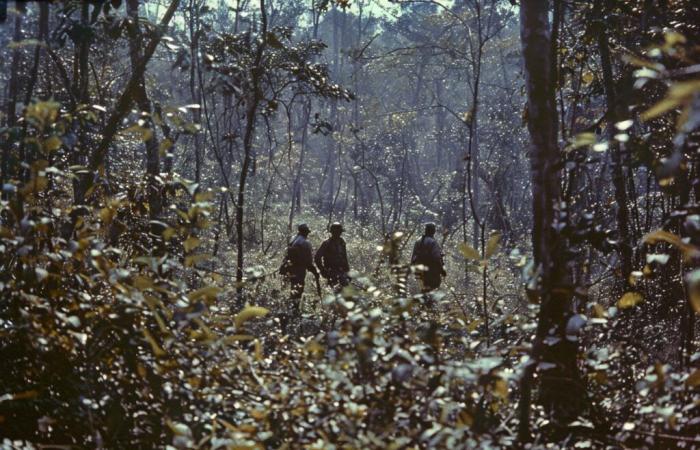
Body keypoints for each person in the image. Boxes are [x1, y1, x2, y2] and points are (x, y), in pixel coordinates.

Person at [279, 223, 320, 320]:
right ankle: (294, 311)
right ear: (306, 232)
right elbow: (308, 261)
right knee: (298, 289)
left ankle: (291, 309)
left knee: (293, 288)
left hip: (290, 268)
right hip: (299, 270)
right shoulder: (305, 243)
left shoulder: (294, 240)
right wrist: (315, 271)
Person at [410, 222, 447, 293]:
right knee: (433, 290)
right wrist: (442, 270)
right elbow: (436, 258)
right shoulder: (432, 242)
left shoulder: (418, 241)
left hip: (420, 271)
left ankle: (424, 303)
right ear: (433, 231)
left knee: (424, 290)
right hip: (431, 272)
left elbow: (413, 257)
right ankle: (429, 303)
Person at [315, 222, 350, 291]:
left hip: (342, 271)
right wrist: (323, 270)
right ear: (332, 232)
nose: (338, 233)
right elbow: (317, 258)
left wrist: (348, 272)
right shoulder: (326, 243)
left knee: (346, 293)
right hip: (331, 272)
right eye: (336, 231)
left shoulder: (342, 242)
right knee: (336, 292)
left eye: (339, 231)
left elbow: (344, 257)